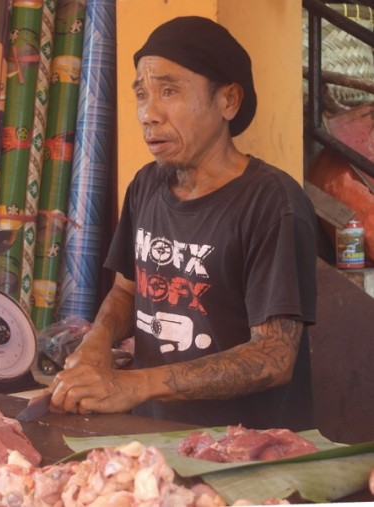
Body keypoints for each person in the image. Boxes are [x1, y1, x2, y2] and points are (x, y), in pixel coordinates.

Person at [49, 16, 317, 431]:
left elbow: (273, 358)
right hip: (154, 436)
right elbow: (126, 290)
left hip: (247, 452)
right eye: (142, 94)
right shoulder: (146, 186)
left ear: (228, 101)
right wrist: (96, 343)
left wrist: (132, 386)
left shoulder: (271, 203)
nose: (148, 114)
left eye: (169, 91)